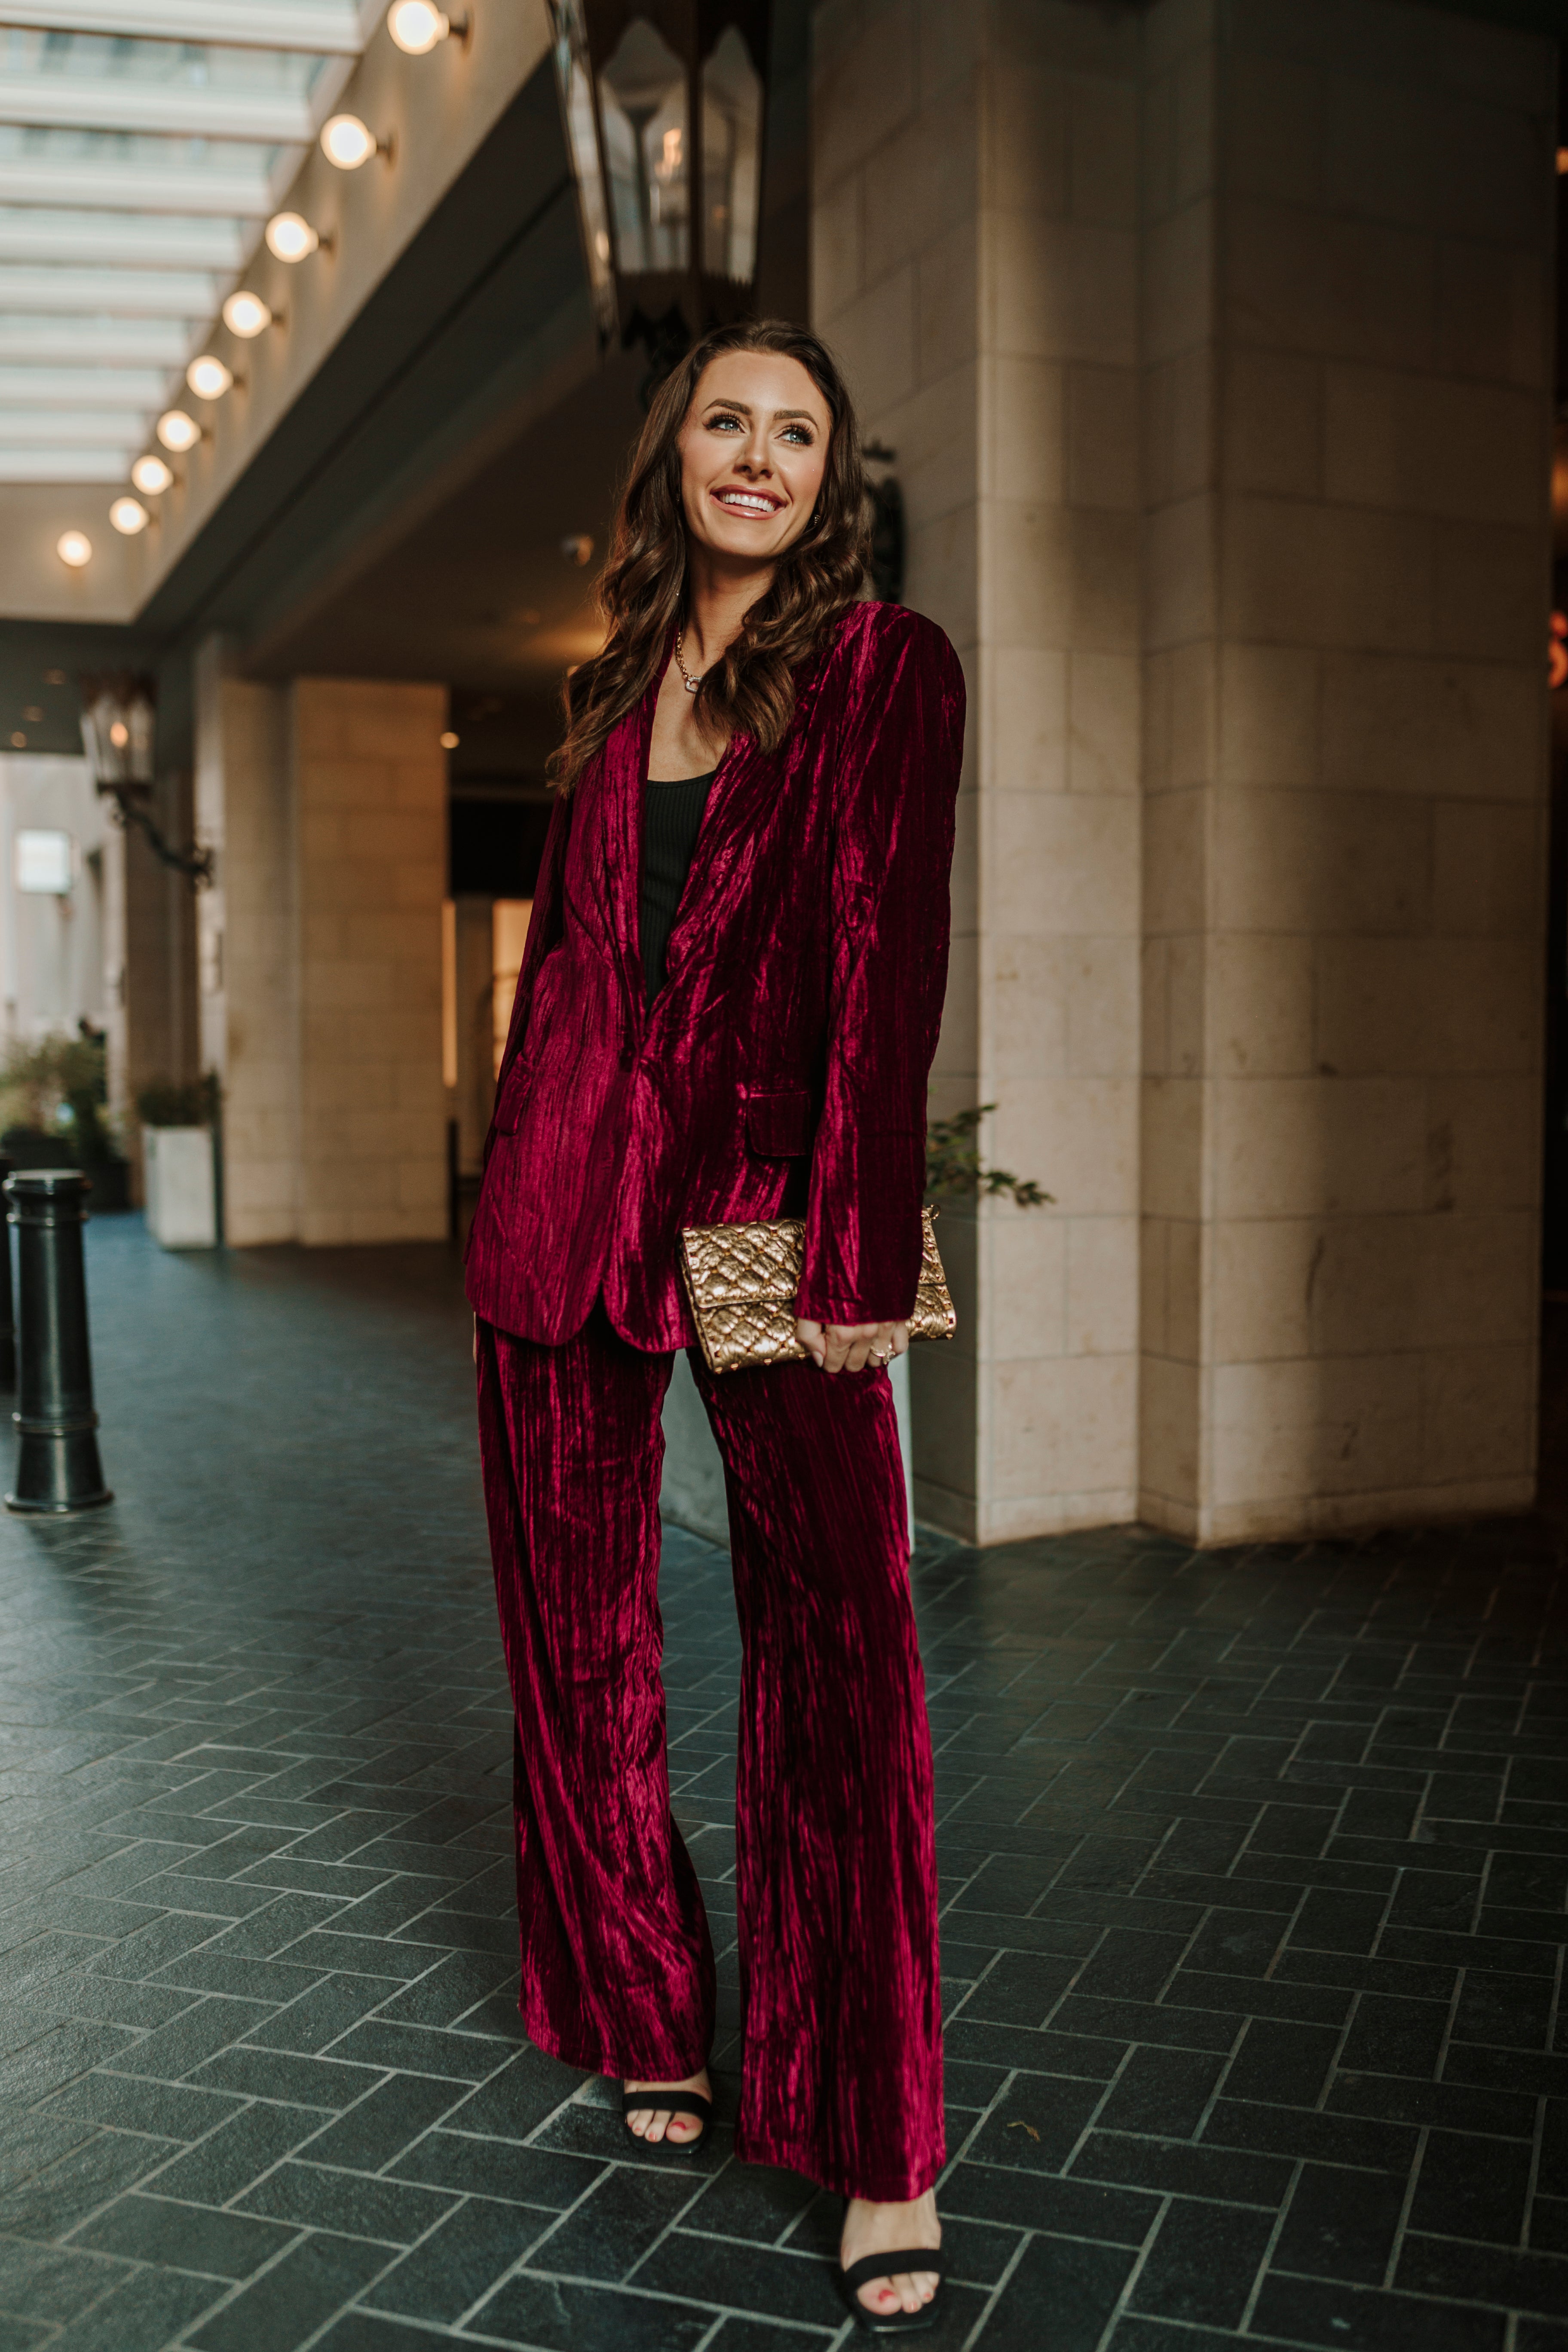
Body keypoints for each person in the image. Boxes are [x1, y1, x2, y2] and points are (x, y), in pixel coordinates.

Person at [466, 316, 965, 2335]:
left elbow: (888, 961)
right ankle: (645, 2006)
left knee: (840, 1659)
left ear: (828, 478)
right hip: (564, 1208)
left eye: (797, 434)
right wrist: (514, 1175)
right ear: (675, 454)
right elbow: (572, 972)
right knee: (574, 1649)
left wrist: (859, 1257)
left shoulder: (882, 667)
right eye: (727, 424)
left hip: (772, 1213)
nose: (758, 457)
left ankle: (878, 2136)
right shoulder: (611, 681)